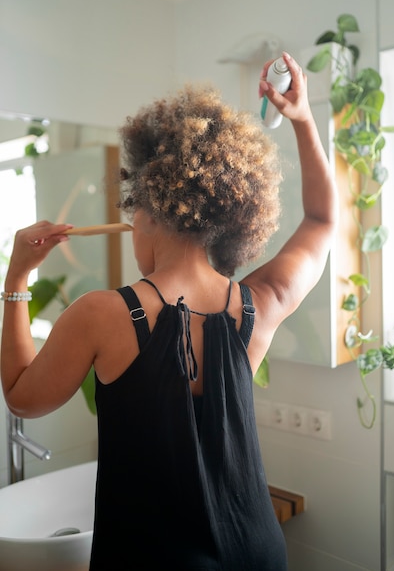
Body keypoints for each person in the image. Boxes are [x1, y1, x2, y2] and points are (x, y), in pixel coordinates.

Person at [1, 52, 337, 570]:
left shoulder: (101, 314)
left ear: (149, 207)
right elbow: (321, 220)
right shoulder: (258, 306)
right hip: (257, 553)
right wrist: (304, 117)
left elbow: (22, 397)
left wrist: (17, 277)